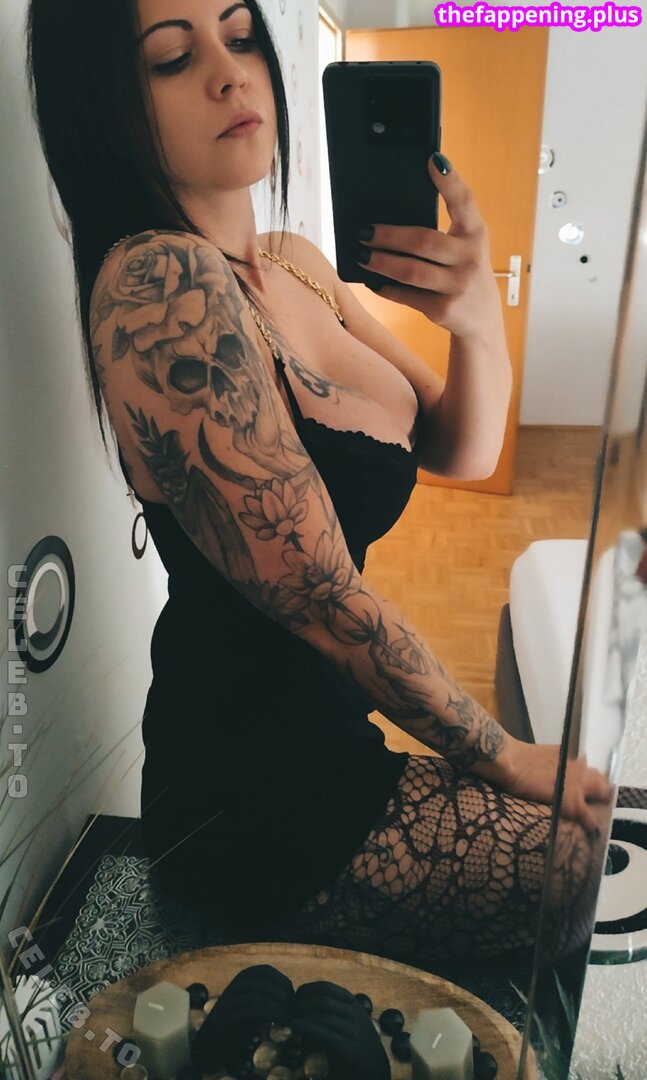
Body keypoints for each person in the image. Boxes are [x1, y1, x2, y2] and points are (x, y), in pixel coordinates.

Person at [26, 0, 611, 966]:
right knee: (580, 867)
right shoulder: (158, 286)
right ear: (106, 108)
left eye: (239, 36)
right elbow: (324, 598)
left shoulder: (294, 266)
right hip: (249, 792)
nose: (230, 73)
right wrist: (504, 754)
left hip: (337, 732)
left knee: (595, 848)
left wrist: (475, 319)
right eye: (171, 58)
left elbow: (461, 448)